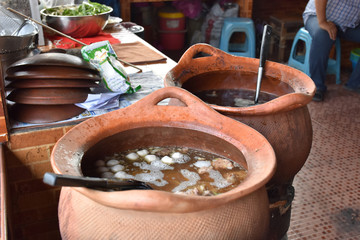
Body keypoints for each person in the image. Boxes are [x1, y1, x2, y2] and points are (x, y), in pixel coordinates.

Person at [303, 0, 360, 101]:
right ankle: (316, 86)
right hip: (318, 16)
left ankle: (355, 83)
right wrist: (322, 22)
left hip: (349, 24)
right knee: (323, 34)